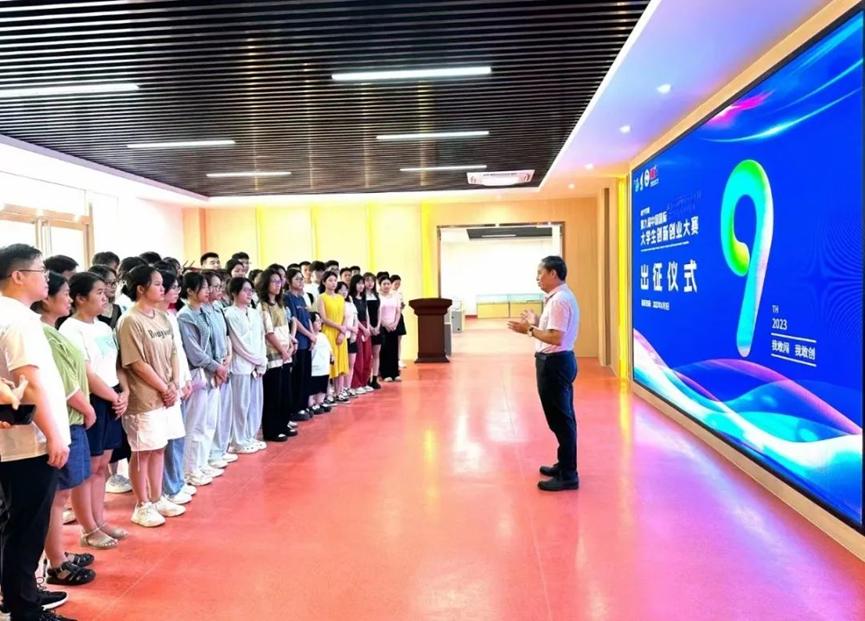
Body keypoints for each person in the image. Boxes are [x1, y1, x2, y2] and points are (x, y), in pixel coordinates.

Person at [0, 244, 72, 621]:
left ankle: (20, 593)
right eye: (41, 271)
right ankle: (24, 609)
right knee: (26, 528)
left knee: (14, 524)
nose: (47, 278)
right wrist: (54, 435)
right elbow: (29, 384)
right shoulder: (18, 320)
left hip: (12, 440)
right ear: (17, 276)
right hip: (29, 443)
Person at [33, 273, 98, 587]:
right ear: (46, 299)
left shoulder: (51, 330)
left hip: (70, 418)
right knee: (57, 497)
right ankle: (56, 563)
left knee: (61, 494)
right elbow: (64, 383)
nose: (70, 299)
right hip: (67, 419)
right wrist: (87, 408)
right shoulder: (44, 333)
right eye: (65, 293)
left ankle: (56, 552)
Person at [60, 272, 130, 548]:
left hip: (112, 397)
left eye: (105, 292)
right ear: (80, 298)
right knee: (88, 469)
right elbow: (85, 373)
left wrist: (124, 392)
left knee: (102, 467)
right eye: (99, 292)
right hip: (93, 400)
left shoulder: (102, 327)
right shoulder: (71, 329)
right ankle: (88, 528)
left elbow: (117, 365)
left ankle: (100, 521)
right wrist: (114, 397)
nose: (105, 297)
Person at [115, 265, 186, 527]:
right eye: (157, 284)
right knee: (142, 451)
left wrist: (174, 383)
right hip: (144, 397)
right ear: (140, 289)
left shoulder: (162, 316)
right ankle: (142, 504)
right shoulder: (130, 320)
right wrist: (164, 388)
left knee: (159, 448)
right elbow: (136, 363)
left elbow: (174, 352)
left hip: (165, 394)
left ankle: (157, 498)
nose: (163, 288)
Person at [507, 256, 581, 492]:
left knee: (561, 420)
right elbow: (552, 329)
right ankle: (564, 464)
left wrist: (529, 329)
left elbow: (555, 337)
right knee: (562, 418)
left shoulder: (559, 301)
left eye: (540, 273)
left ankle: (568, 474)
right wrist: (536, 321)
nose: (537, 278)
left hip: (554, 364)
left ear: (553, 273)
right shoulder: (558, 298)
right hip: (558, 362)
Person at [177, 272, 228, 489]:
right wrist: (216, 366)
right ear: (190, 291)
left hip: (212, 372)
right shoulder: (185, 316)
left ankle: (201, 462)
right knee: (194, 424)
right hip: (198, 373)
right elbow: (194, 352)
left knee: (208, 422)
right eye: (204, 287)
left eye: (209, 287)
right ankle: (189, 470)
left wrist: (221, 364)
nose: (208, 291)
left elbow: (217, 341)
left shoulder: (206, 312)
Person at [224, 277, 267, 454]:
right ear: (235, 292)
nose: (249, 294)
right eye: (245, 290)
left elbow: (261, 337)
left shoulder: (254, 313)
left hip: (256, 365)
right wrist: (257, 359)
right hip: (241, 365)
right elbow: (237, 343)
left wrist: (262, 360)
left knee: (254, 403)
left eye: (251, 290)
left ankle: (250, 435)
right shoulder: (230, 314)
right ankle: (238, 440)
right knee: (240, 405)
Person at [201, 271, 237, 468]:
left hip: (224, 364)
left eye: (219, 286)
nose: (218, 289)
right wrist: (218, 366)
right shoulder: (200, 312)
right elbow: (207, 344)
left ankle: (220, 449)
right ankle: (209, 455)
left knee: (222, 412)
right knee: (207, 417)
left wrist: (228, 358)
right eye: (214, 286)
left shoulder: (218, 308)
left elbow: (225, 336)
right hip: (212, 368)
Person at [256, 268, 296, 442]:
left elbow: (285, 328)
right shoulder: (262, 306)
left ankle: (283, 424)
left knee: (285, 392)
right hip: (273, 354)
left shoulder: (280, 304)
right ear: (266, 283)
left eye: (279, 281)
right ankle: (272, 430)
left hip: (285, 354)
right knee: (273, 394)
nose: (277, 285)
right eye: (273, 281)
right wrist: (282, 350)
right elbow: (268, 332)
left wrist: (290, 344)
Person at [285, 268, 315, 419]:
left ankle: (304, 405)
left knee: (306, 376)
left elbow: (308, 318)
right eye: (297, 279)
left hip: (307, 341)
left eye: (302, 279)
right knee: (297, 377)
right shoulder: (288, 297)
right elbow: (294, 320)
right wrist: (308, 334)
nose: (301, 281)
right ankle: (296, 408)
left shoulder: (302, 298)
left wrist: (312, 335)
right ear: (289, 281)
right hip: (298, 341)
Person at [317, 271, 349, 402]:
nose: (333, 283)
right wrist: (339, 327)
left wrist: (342, 332)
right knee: (329, 363)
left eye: (335, 280)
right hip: (329, 332)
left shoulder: (341, 298)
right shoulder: (322, 298)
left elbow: (345, 316)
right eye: (330, 280)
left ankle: (339, 392)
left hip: (341, 333)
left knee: (341, 362)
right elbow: (324, 318)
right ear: (324, 282)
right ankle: (328, 393)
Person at [349, 275, 372, 394]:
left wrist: (368, 328)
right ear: (354, 284)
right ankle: (355, 384)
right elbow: (354, 317)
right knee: (359, 358)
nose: (361, 286)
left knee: (367, 356)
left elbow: (367, 314)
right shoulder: (351, 298)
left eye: (362, 283)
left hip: (366, 328)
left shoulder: (363, 298)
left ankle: (364, 382)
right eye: (358, 283)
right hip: (357, 328)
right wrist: (363, 328)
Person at [307, 312, 333, 415]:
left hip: (324, 367)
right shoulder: (310, 337)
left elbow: (329, 349)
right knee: (313, 387)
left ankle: (320, 402)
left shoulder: (323, 336)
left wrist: (332, 355)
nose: (320, 323)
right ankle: (311, 404)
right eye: (317, 321)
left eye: (320, 321)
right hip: (314, 368)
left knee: (322, 387)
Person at [377, 275, 402, 382]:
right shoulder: (378, 296)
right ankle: (385, 374)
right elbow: (378, 313)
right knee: (384, 350)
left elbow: (398, 311)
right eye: (384, 284)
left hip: (394, 326)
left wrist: (395, 323)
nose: (386, 286)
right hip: (382, 326)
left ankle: (395, 373)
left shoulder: (395, 296)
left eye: (388, 284)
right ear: (380, 285)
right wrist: (385, 324)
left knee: (394, 349)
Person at [363, 272, 382, 390]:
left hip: (377, 327)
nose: (370, 283)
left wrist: (378, 326)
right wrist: (370, 327)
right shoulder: (362, 296)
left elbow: (379, 311)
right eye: (367, 280)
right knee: (366, 355)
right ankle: (365, 379)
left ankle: (374, 378)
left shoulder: (376, 295)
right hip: (366, 327)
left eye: (372, 280)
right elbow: (364, 313)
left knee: (376, 354)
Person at [391, 274, 408, 369]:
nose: (397, 285)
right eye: (396, 283)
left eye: (399, 284)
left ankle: (398, 359)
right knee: (391, 340)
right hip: (391, 318)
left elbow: (401, 306)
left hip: (399, 317)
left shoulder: (400, 293)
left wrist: (402, 306)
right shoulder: (389, 293)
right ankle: (392, 360)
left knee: (399, 340)